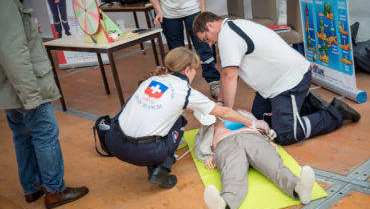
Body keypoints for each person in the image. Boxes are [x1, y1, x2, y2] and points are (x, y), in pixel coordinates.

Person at [97, 47, 269, 189]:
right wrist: (252, 122)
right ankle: (161, 168)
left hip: (114, 142)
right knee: (180, 120)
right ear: (188, 70)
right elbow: (223, 113)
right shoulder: (185, 91)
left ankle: (152, 155)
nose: (195, 74)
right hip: (143, 153)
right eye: (195, 71)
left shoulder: (150, 80)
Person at [193, 11, 361, 146]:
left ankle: (335, 112)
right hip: (272, 84)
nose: (209, 44)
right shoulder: (232, 26)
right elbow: (227, 73)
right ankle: (309, 105)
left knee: (285, 133)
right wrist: (221, 103)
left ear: (210, 25)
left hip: (289, 81)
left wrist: (226, 113)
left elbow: (230, 75)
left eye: (206, 39)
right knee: (261, 120)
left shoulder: (226, 36)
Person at [0, 0, 88, 209]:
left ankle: (32, 188)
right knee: (45, 133)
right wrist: (31, 97)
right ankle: (54, 190)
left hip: (9, 90)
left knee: (22, 136)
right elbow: (13, 53)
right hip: (25, 90)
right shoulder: (5, 2)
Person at [195, 117, 315, 209]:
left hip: (253, 139)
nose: (218, 116)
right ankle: (223, 204)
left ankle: (298, 188)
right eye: (215, 113)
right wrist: (210, 156)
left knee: (274, 166)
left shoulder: (243, 115)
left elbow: (263, 126)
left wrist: (269, 140)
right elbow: (200, 146)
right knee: (233, 175)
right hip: (226, 145)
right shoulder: (207, 126)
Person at [142, 0, 220, 98]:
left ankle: (214, 81)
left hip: (192, 9)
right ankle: (181, 85)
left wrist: (202, 12)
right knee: (176, 51)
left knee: (202, 47)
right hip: (169, 13)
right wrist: (159, 11)